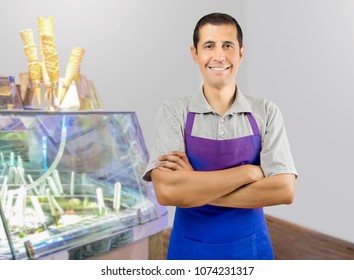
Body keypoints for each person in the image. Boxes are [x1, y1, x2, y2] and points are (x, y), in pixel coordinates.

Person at [143, 12, 298, 260]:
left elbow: (284, 190)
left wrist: (194, 187)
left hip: (251, 251)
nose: (219, 56)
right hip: (189, 252)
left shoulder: (265, 112)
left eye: (228, 45)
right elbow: (168, 193)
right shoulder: (174, 112)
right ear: (195, 53)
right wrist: (251, 172)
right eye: (209, 46)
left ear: (241, 53)